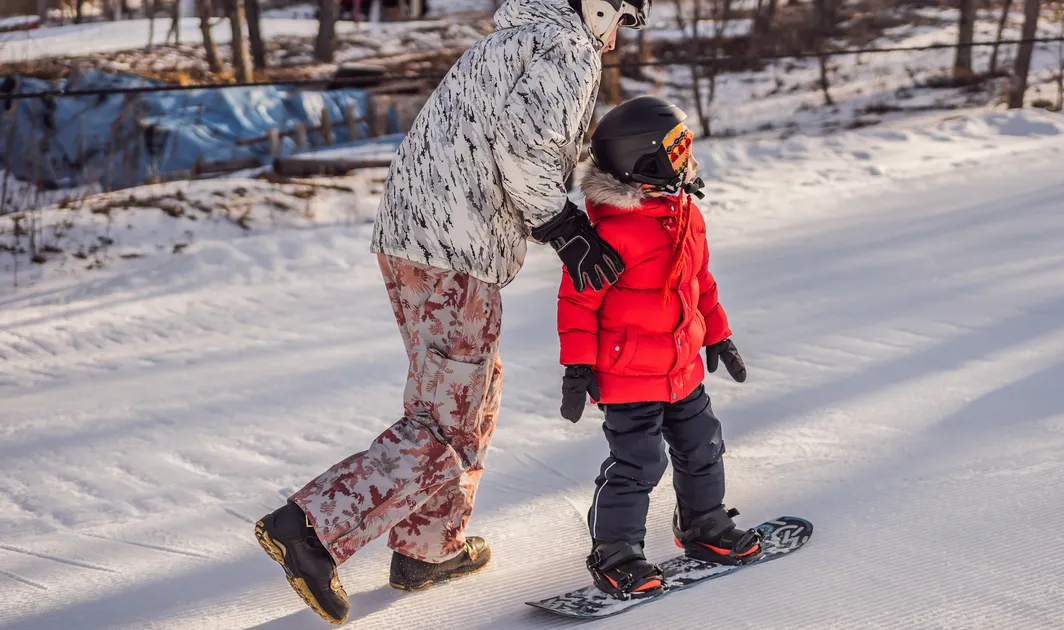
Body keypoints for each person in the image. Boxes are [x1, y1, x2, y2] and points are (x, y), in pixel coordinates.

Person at [252, 0, 649, 624]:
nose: (617, 41)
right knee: (448, 425)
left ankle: (430, 548)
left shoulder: (519, 40)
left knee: (465, 398)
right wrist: (564, 226)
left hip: (417, 241)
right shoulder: (566, 49)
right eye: (622, 22)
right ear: (600, 8)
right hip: (453, 252)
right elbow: (526, 148)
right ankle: (310, 527)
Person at [556, 95, 762, 600]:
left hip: (683, 367)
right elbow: (577, 303)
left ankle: (704, 524)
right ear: (641, 157)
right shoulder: (609, 233)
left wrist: (719, 335)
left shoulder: (686, 215)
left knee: (703, 446)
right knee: (639, 462)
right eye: (676, 146)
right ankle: (616, 550)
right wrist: (578, 367)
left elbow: (700, 283)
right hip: (629, 378)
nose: (686, 154)